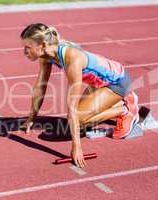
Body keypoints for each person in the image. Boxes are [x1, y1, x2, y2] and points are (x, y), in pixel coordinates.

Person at [19, 23, 139, 168]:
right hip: (97, 84)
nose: (24, 52)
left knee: (80, 120)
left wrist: (77, 147)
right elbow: (40, 87)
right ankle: (117, 103)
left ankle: (125, 109)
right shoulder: (46, 55)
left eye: (28, 47)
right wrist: (31, 118)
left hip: (117, 83)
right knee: (77, 120)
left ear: (43, 45)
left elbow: (72, 106)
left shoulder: (72, 58)